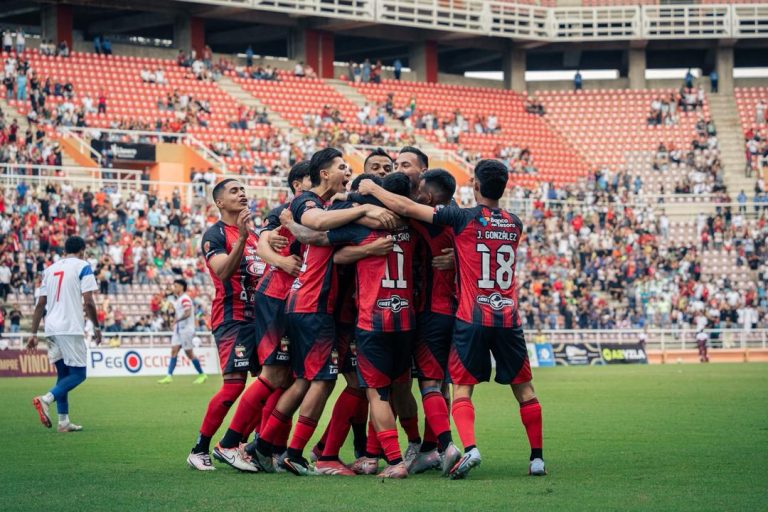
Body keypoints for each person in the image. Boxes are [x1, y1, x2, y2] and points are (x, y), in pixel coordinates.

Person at [359, 159, 547, 479]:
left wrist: (369, 189)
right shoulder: (515, 223)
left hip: (459, 316)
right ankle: (537, 459)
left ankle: (455, 447)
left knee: (446, 386)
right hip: (507, 317)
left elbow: (408, 208)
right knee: (524, 389)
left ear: (475, 185)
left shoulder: (460, 219)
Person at [187, 179, 266, 472]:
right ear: (219, 202)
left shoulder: (257, 235)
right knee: (234, 385)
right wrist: (243, 239)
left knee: (272, 382)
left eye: (243, 189)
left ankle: (244, 445)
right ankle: (200, 449)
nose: (242, 193)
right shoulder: (215, 234)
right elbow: (222, 271)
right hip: (233, 318)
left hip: (261, 320)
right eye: (234, 191)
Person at [29, 236, 102, 433]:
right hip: (70, 327)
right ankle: (46, 399)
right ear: (83, 250)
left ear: (64, 251)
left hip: (51, 328)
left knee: (63, 375)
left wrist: (33, 333)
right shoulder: (83, 266)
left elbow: (40, 304)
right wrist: (96, 327)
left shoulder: (49, 270)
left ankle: (63, 421)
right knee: (79, 374)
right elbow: (88, 301)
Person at [157, 279, 207, 384]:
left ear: (181, 287)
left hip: (186, 330)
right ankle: (169, 376)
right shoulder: (178, 300)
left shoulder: (185, 299)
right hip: (179, 329)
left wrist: (176, 320)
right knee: (174, 351)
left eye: (175, 286)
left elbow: (188, 313)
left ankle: (202, 374)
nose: (174, 288)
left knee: (189, 353)